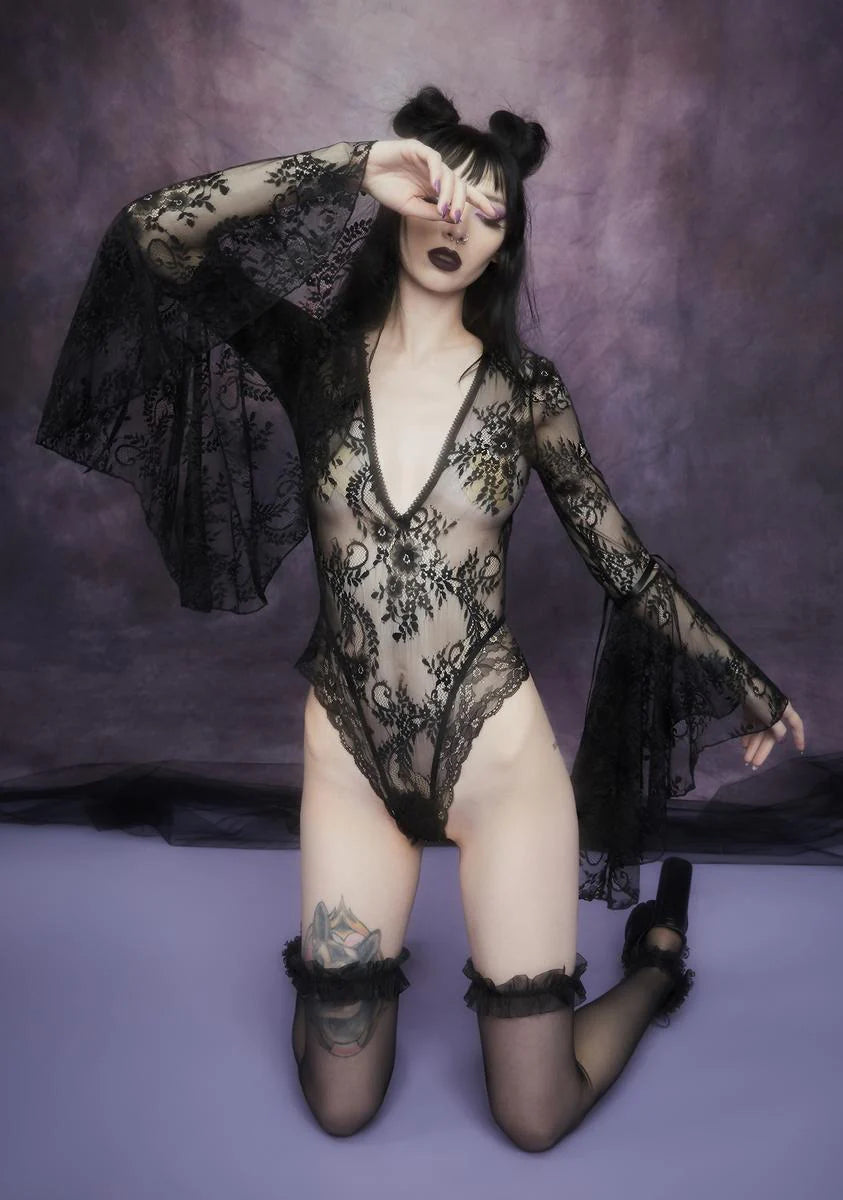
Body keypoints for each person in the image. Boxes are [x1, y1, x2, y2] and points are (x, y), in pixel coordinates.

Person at [32, 84, 804, 1149]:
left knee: (534, 1116)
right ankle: (359, 965)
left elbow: (620, 559)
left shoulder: (525, 392)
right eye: (443, 193)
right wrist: (356, 162)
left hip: (494, 761)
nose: (457, 222)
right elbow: (153, 234)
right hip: (351, 753)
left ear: (503, 248)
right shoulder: (313, 361)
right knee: (341, 1107)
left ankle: (657, 968)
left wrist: (742, 676)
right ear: (403, 202)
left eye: (489, 213)